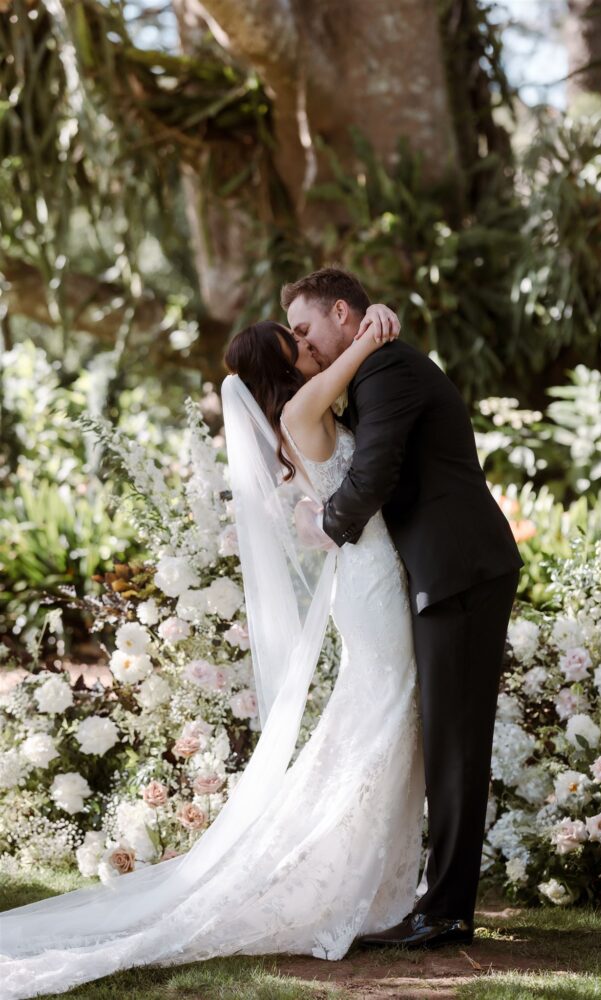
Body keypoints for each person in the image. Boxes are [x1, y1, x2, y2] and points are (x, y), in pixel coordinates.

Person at [0, 300, 428, 999]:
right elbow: (361, 351)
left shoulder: (305, 412)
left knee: (379, 718)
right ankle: (347, 878)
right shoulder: (299, 413)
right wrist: (374, 327)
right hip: (373, 582)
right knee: (384, 717)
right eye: (294, 340)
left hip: (372, 575)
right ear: (282, 366)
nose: (307, 343)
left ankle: (373, 877)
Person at [282, 267, 524, 949]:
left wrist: (325, 525)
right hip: (441, 570)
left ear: (340, 312)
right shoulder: (369, 368)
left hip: (460, 569)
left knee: (454, 742)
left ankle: (445, 911)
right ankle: (434, 902)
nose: (307, 345)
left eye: (307, 330)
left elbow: (375, 472)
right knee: (442, 737)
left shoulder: (386, 368)